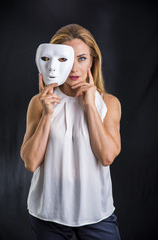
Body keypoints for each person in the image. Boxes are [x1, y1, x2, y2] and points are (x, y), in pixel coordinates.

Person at [20, 23, 121, 240]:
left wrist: (91, 106)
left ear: (93, 60)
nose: (74, 68)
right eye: (67, 58)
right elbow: (30, 162)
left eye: (82, 58)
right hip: (48, 215)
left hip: (97, 214)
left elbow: (107, 156)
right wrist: (48, 114)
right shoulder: (38, 104)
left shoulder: (108, 103)